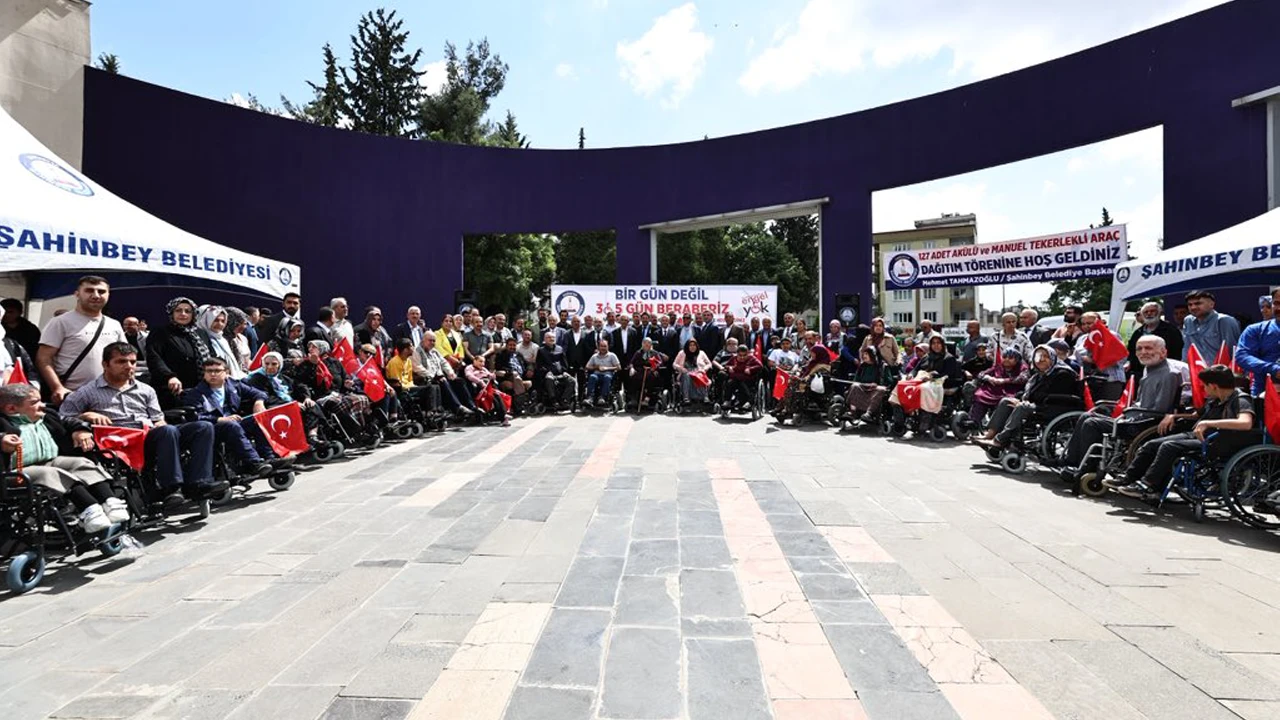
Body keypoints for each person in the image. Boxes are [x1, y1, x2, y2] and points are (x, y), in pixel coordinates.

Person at [60, 342, 227, 504]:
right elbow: (63, 415)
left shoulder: (145, 389)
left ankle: (199, 483)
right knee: (167, 432)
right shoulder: (88, 392)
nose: (129, 366)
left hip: (151, 436)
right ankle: (171, 488)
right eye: (121, 362)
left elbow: (157, 419)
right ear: (105, 364)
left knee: (202, 427)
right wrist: (85, 416)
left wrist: (161, 424)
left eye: (132, 362)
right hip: (121, 442)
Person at [1111, 365, 1255, 499]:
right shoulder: (1216, 400)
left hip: (1217, 442)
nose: (1203, 389)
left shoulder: (1241, 399)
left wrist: (1208, 423)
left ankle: (1148, 486)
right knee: (1152, 444)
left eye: (1204, 386)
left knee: (1169, 447)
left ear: (1213, 386)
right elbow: (1196, 416)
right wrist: (1173, 416)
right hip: (1197, 436)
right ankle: (1128, 478)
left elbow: (1245, 423)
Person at [0, 383, 128, 532]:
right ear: (11, 409)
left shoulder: (46, 415)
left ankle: (110, 501)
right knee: (50, 473)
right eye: (34, 402)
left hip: (50, 461)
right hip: (17, 472)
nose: (42, 405)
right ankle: (90, 510)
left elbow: (69, 421)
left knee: (80, 463)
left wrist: (80, 430)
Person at [1059, 335, 1183, 483]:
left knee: (1092, 423)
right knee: (1086, 416)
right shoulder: (1150, 369)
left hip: (1145, 424)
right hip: (1135, 417)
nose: (1143, 352)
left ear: (1163, 352)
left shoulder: (1169, 374)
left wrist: (1129, 414)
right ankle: (1071, 462)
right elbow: (1141, 401)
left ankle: (1087, 468)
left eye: (1148, 348)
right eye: (1139, 349)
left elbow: (1160, 409)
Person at [36, 276, 127, 403]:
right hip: (72, 395)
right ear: (77, 294)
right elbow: (43, 358)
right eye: (89, 290)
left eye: (101, 291)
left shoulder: (114, 324)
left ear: (108, 295)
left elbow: (124, 358)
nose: (96, 295)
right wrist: (57, 387)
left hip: (109, 395)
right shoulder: (60, 322)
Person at [180, 357, 276, 476]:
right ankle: (254, 463)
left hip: (234, 423)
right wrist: (219, 419)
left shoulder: (233, 385)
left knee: (257, 419)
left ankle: (270, 458)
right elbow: (195, 417)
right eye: (209, 371)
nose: (213, 374)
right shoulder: (196, 393)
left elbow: (259, 393)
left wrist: (259, 401)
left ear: (226, 373)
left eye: (217, 371)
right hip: (213, 428)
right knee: (231, 425)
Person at [975, 345, 1080, 450]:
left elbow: (1053, 396)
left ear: (1053, 358)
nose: (1041, 359)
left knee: (1022, 407)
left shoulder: (1063, 373)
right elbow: (1031, 392)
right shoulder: (1038, 375)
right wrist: (1020, 398)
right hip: (1038, 403)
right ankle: (990, 434)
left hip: (1053, 407)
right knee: (1006, 401)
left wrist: (1025, 401)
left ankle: (1000, 440)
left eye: (1046, 356)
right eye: (1038, 356)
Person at [146, 297, 213, 409]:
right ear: (171, 313)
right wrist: (169, 377)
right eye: (178, 310)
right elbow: (154, 358)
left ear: (193, 314)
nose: (183, 314)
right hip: (172, 389)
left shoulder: (200, 333)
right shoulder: (161, 332)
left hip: (200, 388)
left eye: (187, 311)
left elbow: (212, 356)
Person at [414, 333, 476, 416]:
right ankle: (457, 408)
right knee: (443, 381)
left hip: (440, 376)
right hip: (427, 379)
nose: (432, 343)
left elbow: (444, 363)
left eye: (434, 341)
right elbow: (418, 368)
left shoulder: (434, 351)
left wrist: (450, 372)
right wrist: (433, 376)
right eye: (430, 340)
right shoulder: (416, 352)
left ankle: (471, 406)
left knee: (459, 381)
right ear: (423, 340)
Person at [1235, 287, 1280, 397]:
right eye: (1276, 303)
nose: (1279, 308)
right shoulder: (1256, 330)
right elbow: (1242, 356)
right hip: (1264, 393)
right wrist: (1273, 369)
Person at [969, 349, 1026, 428]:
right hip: (994, 391)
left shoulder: (1022, 367)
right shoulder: (998, 366)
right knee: (979, 394)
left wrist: (1004, 380)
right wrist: (988, 378)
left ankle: (993, 427)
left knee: (1005, 401)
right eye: (1004, 357)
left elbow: (1023, 378)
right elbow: (981, 374)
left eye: (1010, 358)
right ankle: (974, 421)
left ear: (1016, 359)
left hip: (1011, 392)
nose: (1006, 359)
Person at [1182, 289, 1240, 363]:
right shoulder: (1188, 321)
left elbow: (1232, 351)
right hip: (1196, 368)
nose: (1193, 307)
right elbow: (1187, 348)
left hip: (1221, 368)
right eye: (1190, 305)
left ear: (1211, 304)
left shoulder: (1224, 321)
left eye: (1198, 303)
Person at [846, 346, 897, 423]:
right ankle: (852, 412)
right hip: (863, 388)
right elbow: (856, 379)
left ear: (873, 355)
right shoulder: (862, 366)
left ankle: (869, 413)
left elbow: (889, 381)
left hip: (875, 390)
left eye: (866, 354)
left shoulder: (883, 366)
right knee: (855, 385)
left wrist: (877, 384)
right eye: (863, 354)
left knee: (881, 389)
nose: (864, 356)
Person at [196, 306, 246, 380]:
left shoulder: (222, 340)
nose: (220, 324)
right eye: (216, 320)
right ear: (206, 320)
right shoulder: (201, 339)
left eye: (223, 321)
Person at [463, 353, 509, 425]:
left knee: (497, 395)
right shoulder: (469, 368)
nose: (482, 364)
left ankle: (504, 416)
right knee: (493, 396)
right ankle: (503, 417)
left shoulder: (484, 369)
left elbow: (490, 375)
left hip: (489, 384)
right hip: (479, 385)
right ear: (474, 361)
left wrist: (492, 375)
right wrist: (480, 381)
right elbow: (469, 376)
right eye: (480, 361)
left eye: (483, 362)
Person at [536, 332, 577, 411]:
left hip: (561, 373)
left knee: (572, 380)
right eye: (549, 337)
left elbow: (564, 362)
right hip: (549, 374)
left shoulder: (560, 349)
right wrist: (546, 372)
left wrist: (564, 371)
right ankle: (553, 400)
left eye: (553, 337)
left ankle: (564, 399)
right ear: (545, 339)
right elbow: (539, 365)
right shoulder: (541, 351)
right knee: (549, 379)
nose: (551, 339)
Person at [494, 336, 532, 412]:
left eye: (514, 345)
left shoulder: (519, 355)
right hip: (507, 377)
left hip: (520, 377)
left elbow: (526, 364)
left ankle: (518, 405)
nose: (512, 347)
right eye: (510, 345)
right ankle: (521, 405)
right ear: (506, 345)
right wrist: (510, 372)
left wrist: (529, 369)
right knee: (515, 377)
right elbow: (499, 367)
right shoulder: (501, 355)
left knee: (527, 382)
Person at [628, 337, 667, 409]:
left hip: (651, 371)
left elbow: (660, 363)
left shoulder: (655, 353)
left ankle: (647, 398)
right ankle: (634, 398)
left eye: (649, 343)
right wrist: (632, 368)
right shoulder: (638, 353)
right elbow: (631, 363)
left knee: (650, 377)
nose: (647, 344)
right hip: (640, 371)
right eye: (645, 343)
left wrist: (655, 367)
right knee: (633, 376)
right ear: (642, 344)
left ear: (651, 344)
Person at [674, 338, 713, 405]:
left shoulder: (701, 353)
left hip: (698, 371)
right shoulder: (682, 353)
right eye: (690, 345)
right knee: (686, 375)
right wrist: (681, 368)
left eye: (694, 345)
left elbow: (709, 364)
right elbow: (674, 364)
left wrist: (704, 369)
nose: (692, 347)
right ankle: (686, 398)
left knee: (699, 375)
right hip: (686, 371)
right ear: (687, 346)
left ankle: (705, 397)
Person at [724, 343, 762, 409]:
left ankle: (749, 402)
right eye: (740, 355)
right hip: (735, 378)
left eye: (744, 355)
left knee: (743, 384)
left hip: (747, 379)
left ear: (747, 353)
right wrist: (729, 367)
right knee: (730, 383)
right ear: (737, 354)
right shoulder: (734, 358)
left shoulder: (751, 358)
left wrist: (750, 369)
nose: (742, 357)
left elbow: (760, 365)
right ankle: (727, 400)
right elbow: (726, 365)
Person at [583, 339, 621, 406]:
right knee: (592, 377)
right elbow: (587, 367)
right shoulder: (594, 356)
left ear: (608, 347)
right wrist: (596, 367)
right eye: (601, 346)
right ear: (598, 347)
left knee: (607, 377)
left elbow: (619, 367)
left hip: (608, 374)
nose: (603, 348)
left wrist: (607, 368)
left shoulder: (612, 355)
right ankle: (590, 398)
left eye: (605, 346)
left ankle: (602, 397)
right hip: (597, 374)